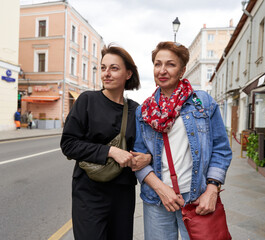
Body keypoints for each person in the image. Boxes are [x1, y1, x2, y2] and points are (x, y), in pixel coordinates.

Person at [134, 41, 232, 240]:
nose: (162, 70)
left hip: (197, 198)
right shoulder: (143, 111)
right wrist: (162, 190)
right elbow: (138, 159)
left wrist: (212, 190)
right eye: (157, 64)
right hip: (157, 199)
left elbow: (221, 149)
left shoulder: (203, 103)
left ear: (182, 70)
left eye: (170, 64)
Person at [60, 44, 151, 240]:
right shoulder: (87, 101)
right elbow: (68, 144)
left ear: (128, 74)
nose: (106, 73)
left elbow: (146, 147)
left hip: (122, 193)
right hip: (89, 192)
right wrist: (110, 151)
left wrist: (146, 157)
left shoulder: (137, 110)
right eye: (103, 68)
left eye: (114, 68)